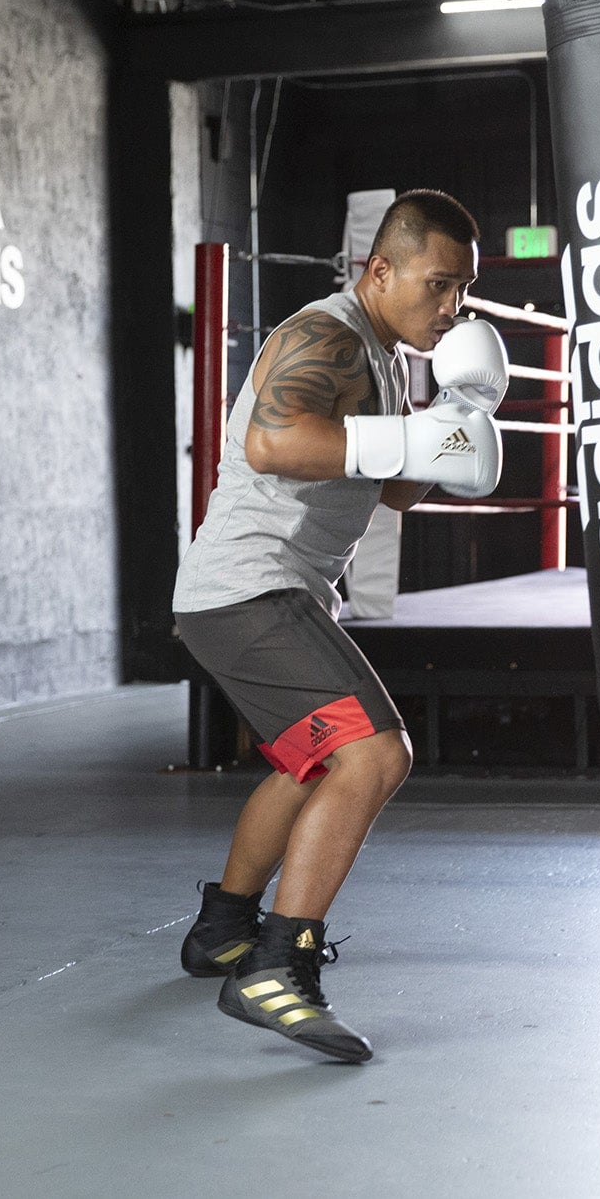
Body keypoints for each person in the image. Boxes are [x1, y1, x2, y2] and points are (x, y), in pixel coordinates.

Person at [172, 190, 510, 1063]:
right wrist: (418, 440)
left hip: (271, 591)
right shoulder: (323, 334)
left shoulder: (395, 358)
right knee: (376, 753)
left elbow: (392, 487)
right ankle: (279, 966)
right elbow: (275, 443)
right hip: (250, 584)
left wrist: (453, 422)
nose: (452, 308)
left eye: (462, 292)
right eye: (438, 285)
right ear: (379, 270)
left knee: (311, 761)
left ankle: (223, 931)